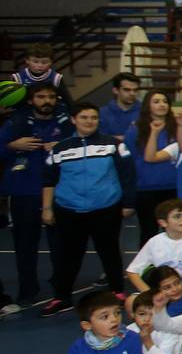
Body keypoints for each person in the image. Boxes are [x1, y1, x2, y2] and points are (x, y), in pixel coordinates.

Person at [39, 103, 135, 319]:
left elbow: (128, 175)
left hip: (106, 208)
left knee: (109, 251)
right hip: (69, 210)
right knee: (68, 255)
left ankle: (117, 292)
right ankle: (61, 297)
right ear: (74, 120)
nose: (89, 121)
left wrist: (128, 204)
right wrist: (47, 208)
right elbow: (49, 180)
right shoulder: (60, 148)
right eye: (84, 117)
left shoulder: (114, 145)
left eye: (93, 117)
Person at [1, 83, 70, 306]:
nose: (46, 101)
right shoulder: (16, 122)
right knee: (24, 245)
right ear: (30, 100)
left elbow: (82, 143)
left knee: (60, 244)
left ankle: (62, 288)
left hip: (59, 191)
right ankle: (27, 289)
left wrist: (63, 145)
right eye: (41, 97)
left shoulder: (66, 121)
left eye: (51, 97)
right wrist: (12, 146)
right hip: (23, 191)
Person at [99, 73, 142, 142]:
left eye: (135, 90)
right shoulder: (102, 113)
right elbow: (100, 138)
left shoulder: (146, 111)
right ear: (115, 90)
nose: (132, 93)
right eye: (127, 90)